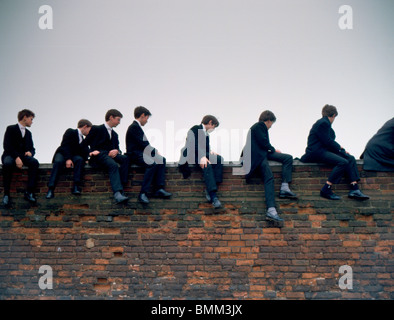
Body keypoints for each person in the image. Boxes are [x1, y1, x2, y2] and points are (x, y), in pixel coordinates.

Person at [300, 104, 369, 201]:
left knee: (350, 158)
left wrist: (343, 152)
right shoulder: (323, 123)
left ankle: (354, 189)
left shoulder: (324, 124)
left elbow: (328, 142)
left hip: (323, 150)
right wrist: (340, 148)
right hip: (317, 152)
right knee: (342, 162)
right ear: (333, 115)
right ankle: (326, 189)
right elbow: (327, 141)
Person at [241, 110, 296, 222]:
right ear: (269, 121)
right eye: (272, 124)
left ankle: (284, 187)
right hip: (257, 156)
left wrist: (272, 150)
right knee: (269, 178)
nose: (271, 127)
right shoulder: (260, 126)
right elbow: (263, 142)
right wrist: (273, 149)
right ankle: (271, 210)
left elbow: (263, 144)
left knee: (287, 158)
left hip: (262, 153)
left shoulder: (258, 127)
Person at [126, 106, 172, 204]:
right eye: (147, 118)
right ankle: (143, 193)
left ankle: (159, 189)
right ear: (143, 116)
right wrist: (154, 151)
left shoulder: (137, 127)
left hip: (141, 153)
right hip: (134, 154)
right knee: (151, 163)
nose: (147, 121)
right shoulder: (134, 127)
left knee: (161, 159)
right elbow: (143, 144)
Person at [82, 109, 129, 204]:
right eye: (118, 119)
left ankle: (122, 186)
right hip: (99, 155)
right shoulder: (96, 128)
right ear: (111, 117)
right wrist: (90, 153)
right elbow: (84, 144)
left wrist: (117, 151)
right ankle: (117, 194)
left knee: (126, 159)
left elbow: (118, 148)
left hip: (110, 155)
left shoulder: (115, 134)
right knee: (113, 165)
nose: (119, 122)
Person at [179, 115, 223, 208]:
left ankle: (212, 185)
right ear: (210, 122)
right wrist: (202, 156)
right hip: (192, 154)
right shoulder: (195, 129)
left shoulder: (206, 134)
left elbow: (206, 148)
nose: (213, 129)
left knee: (219, 159)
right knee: (207, 165)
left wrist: (211, 152)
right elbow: (192, 145)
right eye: (214, 126)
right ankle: (213, 197)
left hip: (202, 154)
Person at [46, 119, 92, 199]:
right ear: (85, 127)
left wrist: (87, 158)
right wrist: (68, 159)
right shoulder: (70, 131)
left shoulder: (83, 139)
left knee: (80, 160)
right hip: (63, 153)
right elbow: (65, 145)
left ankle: (76, 187)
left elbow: (85, 150)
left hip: (73, 156)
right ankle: (51, 189)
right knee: (58, 162)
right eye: (89, 130)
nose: (89, 133)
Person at [2, 109, 39, 206]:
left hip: (23, 156)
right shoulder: (10, 129)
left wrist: (31, 153)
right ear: (25, 117)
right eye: (31, 119)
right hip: (10, 155)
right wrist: (16, 157)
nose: (32, 121)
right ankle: (6, 194)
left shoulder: (29, 133)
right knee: (7, 164)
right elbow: (7, 146)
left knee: (34, 163)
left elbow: (32, 148)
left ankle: (29, 192)